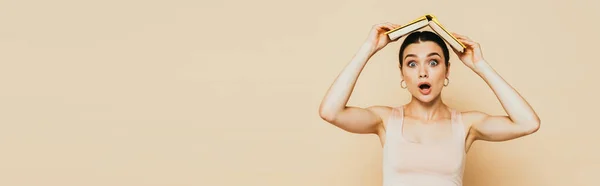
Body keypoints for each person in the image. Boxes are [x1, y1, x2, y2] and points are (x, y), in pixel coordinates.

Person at [318, 22, 541, 186]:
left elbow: (527, 123)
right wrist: (368, 48)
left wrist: (480, 65)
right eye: (412, 63)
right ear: (402, 73)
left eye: (433, 62)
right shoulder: (385, 120)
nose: (423, 72)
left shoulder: (466, 124)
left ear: (447, 70)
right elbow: (330, 111)